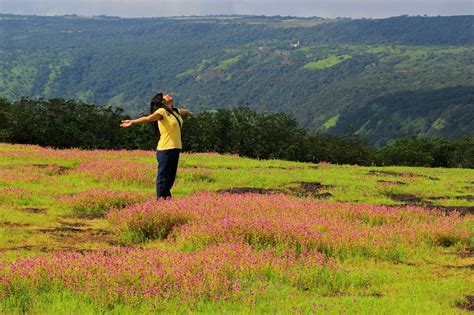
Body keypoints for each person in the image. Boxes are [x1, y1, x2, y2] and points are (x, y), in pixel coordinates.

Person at [120, 93, 192, 199]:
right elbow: (148, 118)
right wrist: (133, 122)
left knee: (170, 177)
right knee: (163, 176)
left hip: (175, 148)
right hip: (165, 149)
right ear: (162, 101)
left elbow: (184, 112)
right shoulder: (161, 112)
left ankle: (167, 198)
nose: (168, 95)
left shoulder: (175, 111)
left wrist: (190, 113)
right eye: (165, 95)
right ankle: (161, 200)